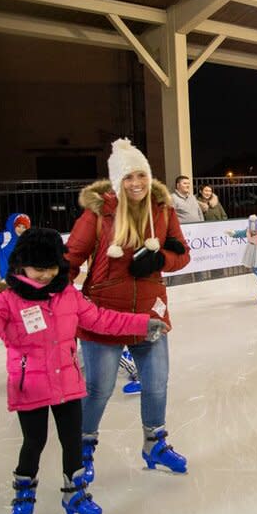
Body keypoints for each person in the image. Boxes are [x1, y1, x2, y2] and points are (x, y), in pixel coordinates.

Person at [0, 228, 168, 514]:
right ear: (20, 266)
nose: (45, 275)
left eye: (50, 268)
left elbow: (101, 319)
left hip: (68, 384)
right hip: (30, 386)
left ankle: (74, 494)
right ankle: (24, 490)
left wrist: (142, 323)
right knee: (34, 441)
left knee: (72, 441)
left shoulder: (68, 296)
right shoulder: (6, 301)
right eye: (38, 269)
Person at [65, 138, 191, 485]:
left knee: (156, 385)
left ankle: (155, 444)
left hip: (150, 313)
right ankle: (82, 449)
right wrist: (54, 297)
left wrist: (160, 258)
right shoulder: (98, 213)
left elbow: (182, 253)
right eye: (128, 177)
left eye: (141, 175)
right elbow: (72, 257)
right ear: (117, 180)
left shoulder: (162, 210)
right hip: (104, 315)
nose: (136, 183)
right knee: (98, 389)